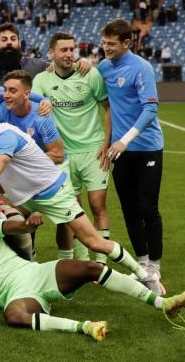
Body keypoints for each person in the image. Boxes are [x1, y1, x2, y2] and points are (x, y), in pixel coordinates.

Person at [0, 197, 185, 341]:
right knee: (12, 316)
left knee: (90, 266)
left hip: (36, 273)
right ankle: (86, 327)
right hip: (18, 294)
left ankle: (162, 303)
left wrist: (30, 222)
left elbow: (15, 225)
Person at [0, 99, 154, 285]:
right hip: (28, 197)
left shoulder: (4, 136)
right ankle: (14, 272)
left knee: (93, 241)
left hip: (53, 194)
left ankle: (144, 276)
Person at [98, 19, 166, 295]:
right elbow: (104, 103)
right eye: (104, 43)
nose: (106, 48)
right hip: (120, 152)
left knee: (148, 207)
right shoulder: (103, 68)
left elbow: (150, 110)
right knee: (129, 209)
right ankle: (142, 263)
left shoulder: (142, 68)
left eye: (112, 44)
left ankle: (156, 265)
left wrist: (124, 140)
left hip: (147, 147)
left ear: (127, 43)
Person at [32, 32, 112, 263]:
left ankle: (100, 262)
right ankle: (80, 259)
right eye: (63, 50)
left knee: (98, 205)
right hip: (63, 155)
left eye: (71, 49)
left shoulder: (90, 74)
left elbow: (108, 107)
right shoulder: (42, 80)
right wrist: (43, 105)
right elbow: (34, 106)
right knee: (72, 209)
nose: (69, 54)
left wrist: (106, 143)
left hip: (93, 150)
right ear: (51, 53)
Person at [0, 23, 91, 86]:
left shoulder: (37, 67)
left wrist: (81, 61)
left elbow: (61, 66)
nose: (9, 42)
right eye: (4, 39)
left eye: (13, 39)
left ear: (19, 43)